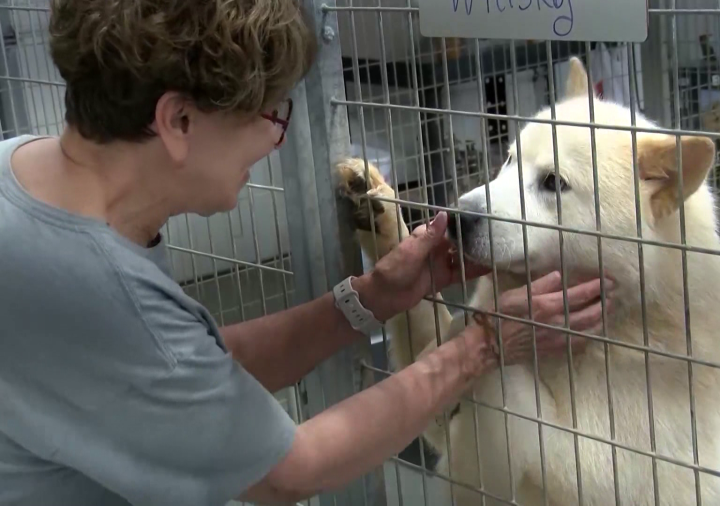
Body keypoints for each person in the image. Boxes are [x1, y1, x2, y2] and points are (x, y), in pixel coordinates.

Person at [0, 1, 613, 505]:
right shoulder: (101, 295)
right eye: (269, 114)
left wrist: (370, 298)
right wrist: (485, 342)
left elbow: (198, 366)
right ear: (178, 121)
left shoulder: (22, 170)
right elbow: (289, 471)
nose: (274, 136)